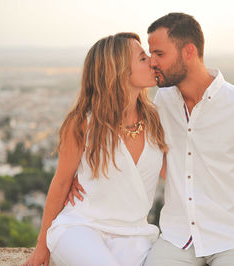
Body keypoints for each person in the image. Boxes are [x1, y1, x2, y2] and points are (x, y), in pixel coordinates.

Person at [69, 13, 234, 266]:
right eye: (149, 54)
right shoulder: (162, 103)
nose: (152, 62)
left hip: (233, 238)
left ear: (188, 51)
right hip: (177, 239)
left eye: (159, 54)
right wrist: (79, 172)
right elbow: (126, 143)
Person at [23, 32, 167, 266]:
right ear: (118, 70)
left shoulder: (157, 119)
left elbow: (176, 176)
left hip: (134, 235)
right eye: (142, 58)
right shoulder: (83, 123)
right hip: (80, 228)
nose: (152, 60)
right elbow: (61, 183)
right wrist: (41, 248)